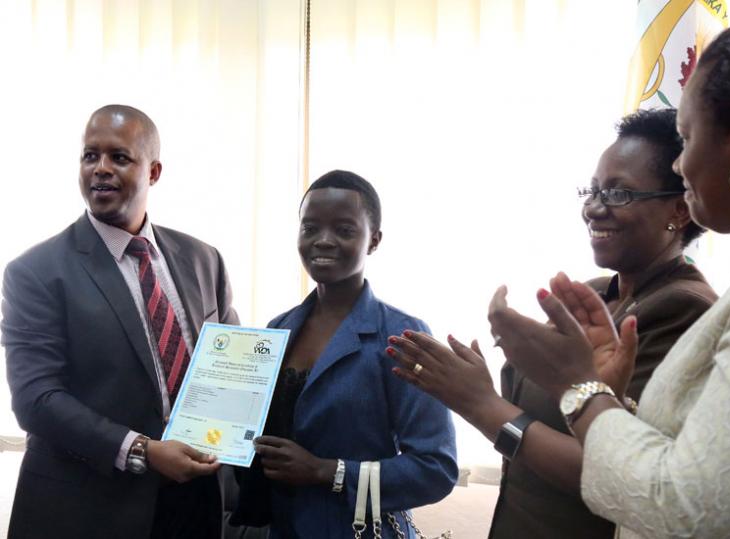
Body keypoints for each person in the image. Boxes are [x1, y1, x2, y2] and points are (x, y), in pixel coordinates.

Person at [390, 3, 730, 537]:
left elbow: (686, 506)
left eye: (686, 139)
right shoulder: (606, 296)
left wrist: (574, 390)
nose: (683, 164)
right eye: (592, 191)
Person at [1, 105, 239, 539]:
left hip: (196, 503)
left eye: (120, 157)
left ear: (154, 172)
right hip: (87, 510)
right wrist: (145, 451)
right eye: (90, 156)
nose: (101, 169)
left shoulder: (205, 260)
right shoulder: (35, 272)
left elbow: (231, 370)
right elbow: (36, 399)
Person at [489, 109, 716, 538]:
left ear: (679, 210)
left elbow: (614, 468)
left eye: (618, 194)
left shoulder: (683, 308)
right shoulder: (593, 296)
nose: (594, 208)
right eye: (592, 191)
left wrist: (477, 404)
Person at [231, 170, 458, 538]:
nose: (323, 241)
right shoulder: (277, 329)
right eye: (310, 228)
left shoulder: (404, 337)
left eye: (344, 230)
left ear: (374, 240)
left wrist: (327, 471)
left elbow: (436, 469)